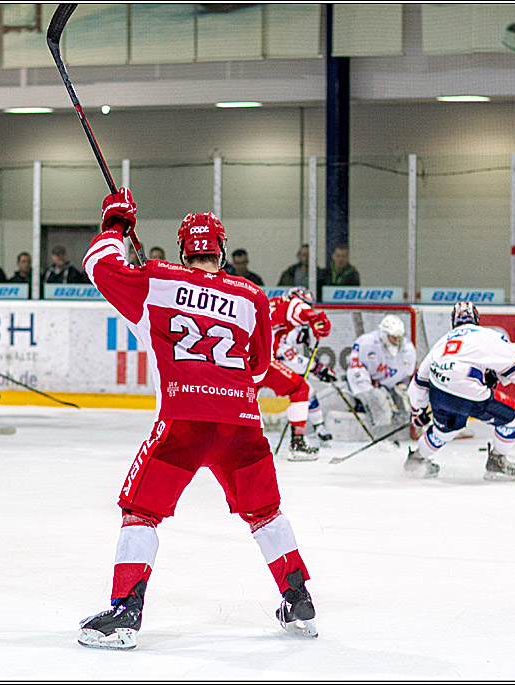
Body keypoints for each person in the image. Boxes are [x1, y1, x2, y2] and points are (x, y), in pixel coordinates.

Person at [77, 189, 318, 650]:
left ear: (185, 249)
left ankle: (126, 612)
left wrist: (116, 225)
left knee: (141, 512)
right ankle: (299, 599)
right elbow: (260, 368)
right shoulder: (251, 294)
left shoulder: (158, 278)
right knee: (264, 512)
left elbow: (98, 266)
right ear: (222, 251)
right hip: (242, 423)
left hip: (183, 423)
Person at [405, 302, 515, 481]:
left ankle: (416, 461)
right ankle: (497, 462)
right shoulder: (485, 334)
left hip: (439, 392)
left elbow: (418, 382)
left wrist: (418, 410)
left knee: (443, 432)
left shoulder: (444, 340)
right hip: (468, 389)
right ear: (477, 319)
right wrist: (497, 376)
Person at [262, 286, 336, 459]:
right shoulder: (291, 305)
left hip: (244, 359)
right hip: (263, 360)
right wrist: (316, 321)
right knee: (302, 388)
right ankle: (299, 442)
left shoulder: (271, 304)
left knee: (246, 399)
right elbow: (285, 353)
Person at [346, 314, 418, 433]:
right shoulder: (366, 343)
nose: (397, 341)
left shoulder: (408, 349)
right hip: (368, 385)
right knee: (378, 400)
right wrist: (369, 389)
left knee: (406, 400)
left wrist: (402, 388)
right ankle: (381, 435)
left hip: (389, 386)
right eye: (393, 337)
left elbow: (406, 376)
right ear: (384, 335)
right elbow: (355, 370)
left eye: (399, 338)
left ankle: (402, 432)